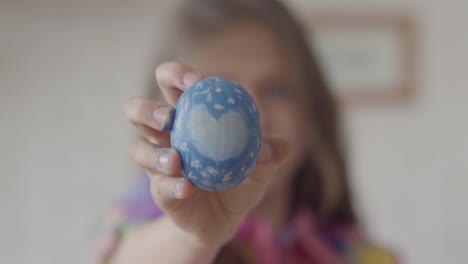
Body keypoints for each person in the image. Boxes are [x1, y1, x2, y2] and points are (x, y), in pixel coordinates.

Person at [95, 0, 397, 263]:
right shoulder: (150, 231)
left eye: (277, 90)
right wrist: (193, 238)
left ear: (312, 116)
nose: (255, 113)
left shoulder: (354, 254)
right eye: (220, 91)